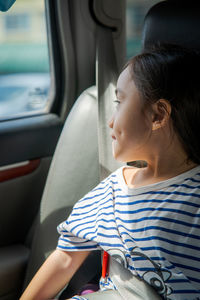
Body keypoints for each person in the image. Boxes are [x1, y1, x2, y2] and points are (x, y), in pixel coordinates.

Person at [20, 44, 200, 300]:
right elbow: (65, 257)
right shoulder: (113, 190)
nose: (110, 120)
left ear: (157, 115)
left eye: (120, 102)